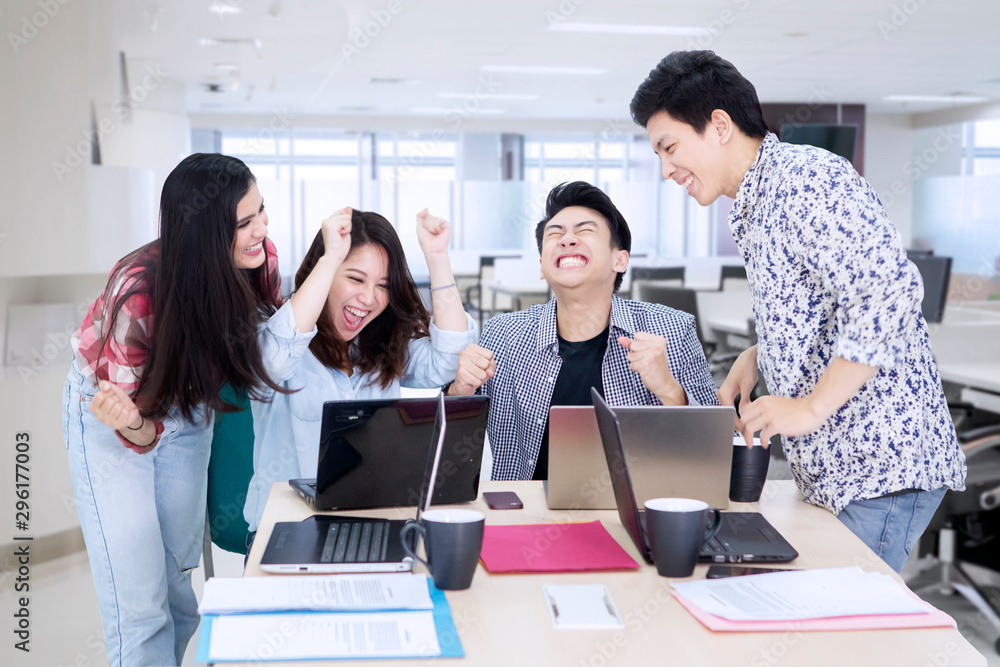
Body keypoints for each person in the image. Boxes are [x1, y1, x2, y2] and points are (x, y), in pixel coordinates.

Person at [629, 50, 967, 572]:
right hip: (834, 471)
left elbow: (889, 296)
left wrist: (810, 406)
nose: (667, 168)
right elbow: (830, 303)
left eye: (669, 147)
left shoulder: (806, 181)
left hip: (879, 469)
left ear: (719, 126)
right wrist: (760, 355)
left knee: (843, 637)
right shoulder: (752, 204)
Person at [63, 154, 286, 666]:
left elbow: (273, 344)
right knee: (142, 609)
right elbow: (136, 430)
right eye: (245, 223)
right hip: (115, 414)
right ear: (207, 232)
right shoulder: (140, 293)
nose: (262, 231)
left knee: (180, 593)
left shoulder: (259, 260)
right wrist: (135, 423)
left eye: (261, 213)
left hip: (188, 406)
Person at [448, 181, 719, 481]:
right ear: (542, 266)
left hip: (638, 515)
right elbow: (449, 448)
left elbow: (719, 454)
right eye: (555, 233)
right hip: (526, 515)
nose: (567, 240)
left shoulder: (671, 330)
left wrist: (669, 390)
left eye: (585, 230)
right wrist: (459, 390)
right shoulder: (505, 335)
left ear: (620, 259)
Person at [244, 207, 477, 533]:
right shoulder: (272, 334)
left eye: (383, 285)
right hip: (285, 529)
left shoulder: (380, 344)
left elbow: (447, 361)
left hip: (371, 522)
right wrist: (329, 258)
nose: (368, 298)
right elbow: (275, 360)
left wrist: (437, 258)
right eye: (355, 278)